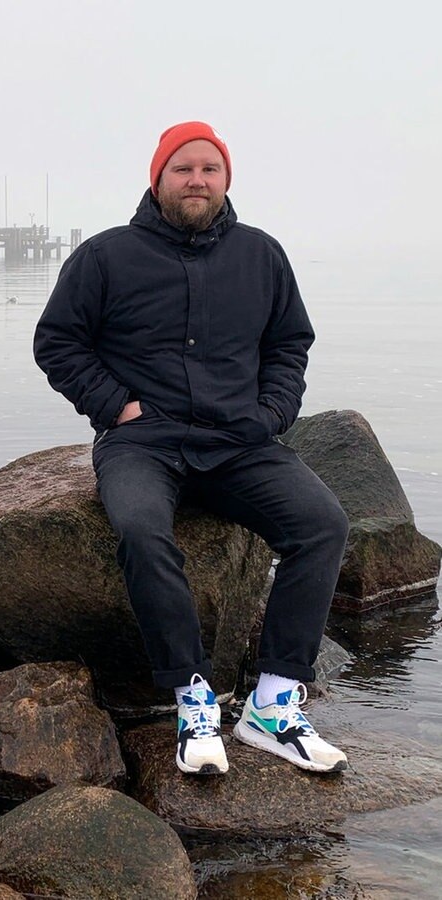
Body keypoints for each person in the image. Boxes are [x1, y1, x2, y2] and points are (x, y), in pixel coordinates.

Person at [33, 121, 349, 776]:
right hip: (142, 443)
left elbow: (288, 345)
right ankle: (195, 699)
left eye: (210, 168)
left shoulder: (261, 255)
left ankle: (274, 703)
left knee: (322, 525)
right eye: (184, 168)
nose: (197, 179)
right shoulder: (105, 256)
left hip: (240, 440)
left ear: (226, 179)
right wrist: (114, 405)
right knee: (144, 532)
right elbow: (58, 341)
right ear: (158, 178)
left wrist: (272, 413)